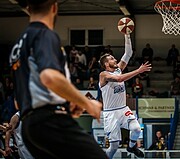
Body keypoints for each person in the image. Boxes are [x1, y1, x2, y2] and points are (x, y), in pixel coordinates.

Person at [9, 0, 107, 158]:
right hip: (50, 121)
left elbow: (21, 98)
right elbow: (49, 77)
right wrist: (88, 103)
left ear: (28, 9)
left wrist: (68, 102)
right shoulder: (45, 34)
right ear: (54, 8)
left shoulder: (19, 45)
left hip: (29, 127)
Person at [99, 34, 151, 159]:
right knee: (114, 147)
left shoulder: (118, 69)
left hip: (123, 109)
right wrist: (138, 71)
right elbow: (119, 79)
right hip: (110, 113)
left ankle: (131, 146)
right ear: (106, 64)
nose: (115, 60)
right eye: (112, 59)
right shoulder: (104, 75)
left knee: (137, 129)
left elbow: (128, 53)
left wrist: (126, 35)